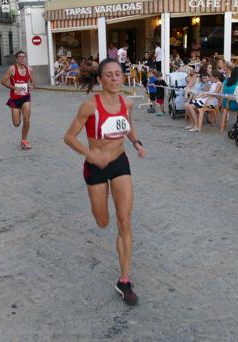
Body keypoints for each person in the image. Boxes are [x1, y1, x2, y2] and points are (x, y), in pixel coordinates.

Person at [63, 58, 146, 306]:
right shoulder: (90, 106)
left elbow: (128, 126)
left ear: (122, 77)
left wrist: (136, 142)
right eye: (108, 75)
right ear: (100, 80)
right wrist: (92, 155)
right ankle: (101, 211)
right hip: (95, 168)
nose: (114, 78)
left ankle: (124, 280)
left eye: (117, 74)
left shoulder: (127, 102)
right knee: (103, 221)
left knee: (125, 220)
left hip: (120, 162)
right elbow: (69, 137)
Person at [1, 51, 35, 150]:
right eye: (20, 57)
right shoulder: (12, 69)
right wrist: (13, 87)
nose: (22, 58)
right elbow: (2, 81)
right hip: (15, 99)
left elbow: (33, 82)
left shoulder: (29, 69)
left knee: (27, 119)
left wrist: (32, 85)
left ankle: (24, 140)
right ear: (16, 59)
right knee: (16, 124)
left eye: (24, 57)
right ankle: (17, 111)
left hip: (25, 97)